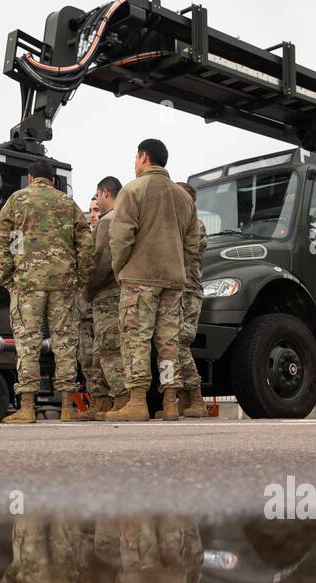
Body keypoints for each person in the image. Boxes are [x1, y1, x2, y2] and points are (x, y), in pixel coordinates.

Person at [0, 160, 94, 423]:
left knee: (28, 343)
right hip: (63, 284)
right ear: (53, 180)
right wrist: (78, 278)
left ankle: (27, 408)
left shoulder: (17, 201)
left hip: (27, 284)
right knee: (65, 343)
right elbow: (86, 246)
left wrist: (10, 279)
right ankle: (68, 409)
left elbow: (1, 242)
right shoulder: (68, 204)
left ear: (29, 177)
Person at [105, 139, 199, 423]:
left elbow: (120, 237)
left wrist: (119, 268)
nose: (135, 164)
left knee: (136, 339)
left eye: (136, 158)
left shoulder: (132, 190)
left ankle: (137, 402)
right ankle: (170, 402)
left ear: (143, 157)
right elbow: (193, 246)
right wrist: (177, 267)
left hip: (139, 276)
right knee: (169, 341)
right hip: (173, 280)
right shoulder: (183, 197)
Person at [82, 176, 126, 421]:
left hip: (108, 293)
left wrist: (87, 290)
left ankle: (122, 400)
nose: (97, 201)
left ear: (105, 192)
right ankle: (103, 403)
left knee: (110, 348)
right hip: (119, 292)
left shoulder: (109, 221)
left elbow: (100, 260)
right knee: (102, 349)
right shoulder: (128, 216)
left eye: (97, 196)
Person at [174, 181, 209, 418]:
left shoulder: (195, 225)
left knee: (180, 343)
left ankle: (196, 396)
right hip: (178, 290)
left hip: (189, 292)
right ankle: (184, 398)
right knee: (172, 344)